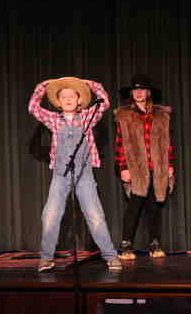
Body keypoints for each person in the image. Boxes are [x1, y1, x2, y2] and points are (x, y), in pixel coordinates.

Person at [28, 76, 121, 272]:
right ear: (58, 102)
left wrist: (90, 84)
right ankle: (46, 258)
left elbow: (104, 102)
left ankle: (111, 256)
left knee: (95, 216)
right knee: (50, 215)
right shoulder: (54, 120)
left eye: (72, 96)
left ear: (79, 100)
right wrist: (42, 86)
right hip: (61, 174)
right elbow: (33, 108)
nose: (68, 99)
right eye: (63, 96)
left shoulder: (87, 117)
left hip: (84, 174)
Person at [114, 74, 175, 260]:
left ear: (148, 92)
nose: (139, 93)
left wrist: (169, 164)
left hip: (156, 166)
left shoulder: (161, 115)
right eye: (135, 90)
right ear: (132, 93)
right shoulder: (124, 115)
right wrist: (123, 167)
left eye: (142, 89)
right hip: (136, 167)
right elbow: (120, 143)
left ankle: (154, 244)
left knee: (154, 206)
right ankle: (126, 245)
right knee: (134, 206)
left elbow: (167, 142)